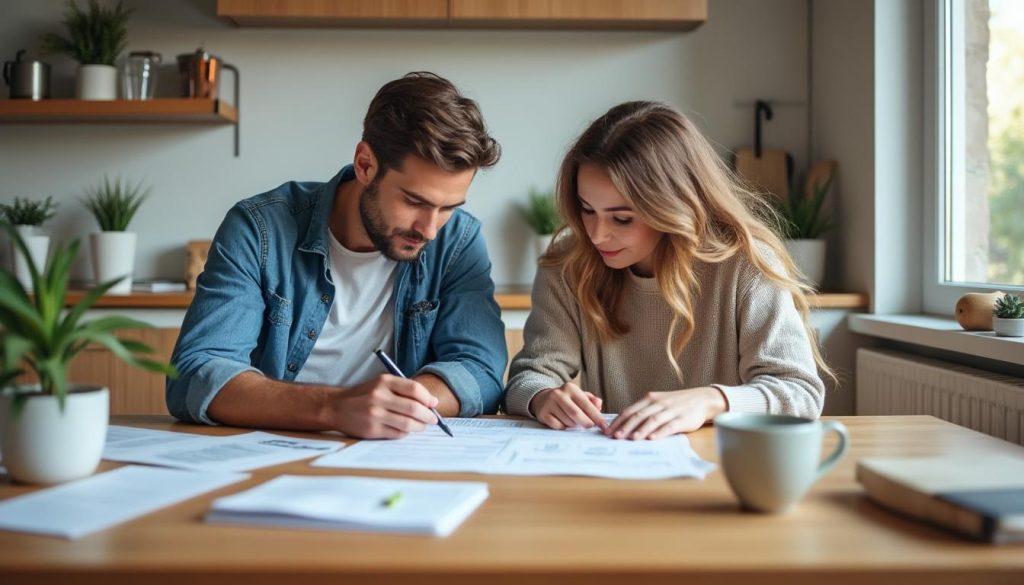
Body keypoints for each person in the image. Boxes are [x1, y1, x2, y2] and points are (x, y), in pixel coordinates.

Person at [167, 72, 506, 439]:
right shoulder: (259, 229)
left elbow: (480, 369)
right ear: (365, 164)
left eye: (448, 208)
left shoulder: (458, 241)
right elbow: (196, 373)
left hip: (399, 456)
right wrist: (334, 407)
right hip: (276, 453)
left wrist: (405, 403)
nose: (429, 229)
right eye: (414, 201)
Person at [504, 101, 830, 440]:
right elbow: (528, 378)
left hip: (723, 464)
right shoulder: (569, 264)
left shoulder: (746, 265)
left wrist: (711, 400)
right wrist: (543, 397)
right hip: (615, 461)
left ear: (673, 206)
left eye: (622, 218)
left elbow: (800, 392)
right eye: (587, 210)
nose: (597, 234)